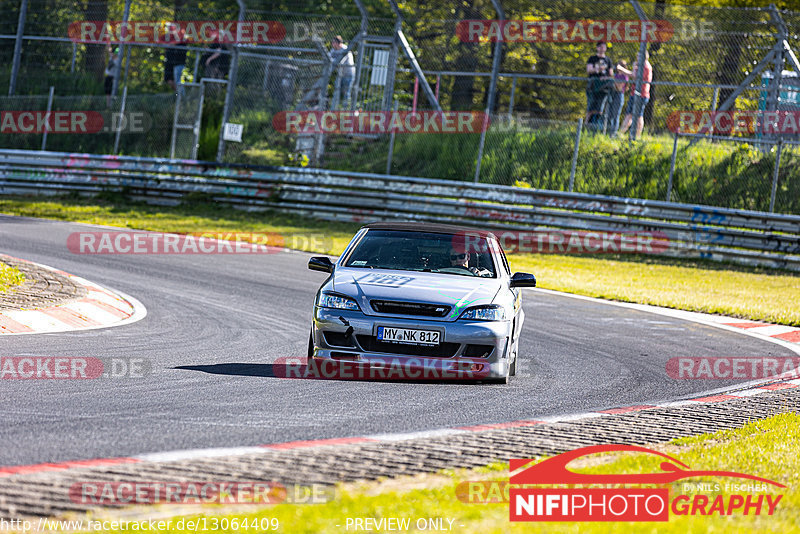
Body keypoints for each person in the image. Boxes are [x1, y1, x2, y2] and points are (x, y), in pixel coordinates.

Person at [618, 50, 653, 140]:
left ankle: (637, 136)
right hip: (635, 93)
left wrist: (623, 69)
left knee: (638, 115)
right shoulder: (641, 65)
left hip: (641, 94)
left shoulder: (645, 66)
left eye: (639, 56)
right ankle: (621, 133)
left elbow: (634, 76)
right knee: (629, 114)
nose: (637, 58)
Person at [585, 42, 614, 132]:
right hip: (593, 86)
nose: (602, 49)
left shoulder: (608, 60)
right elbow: (589, 70)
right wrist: (597, 69)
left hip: (603, 88)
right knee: (590, 108)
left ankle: (596, 128)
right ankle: (586, 127)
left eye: (604, 47)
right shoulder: (592, 59)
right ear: (597, 48)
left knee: (600, 109)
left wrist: (606, 77)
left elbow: (611, 73)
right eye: (600, 47)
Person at [331, 36, 355, 109]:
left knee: (346, 93)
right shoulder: (333, 50)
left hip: (349, 74)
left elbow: (341, 62)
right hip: (340, 74)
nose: (332, 44)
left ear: (339, 43)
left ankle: (345, 110)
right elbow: (328, 57)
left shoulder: (345, 49)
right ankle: (334, 109)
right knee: (336, 91)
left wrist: (333, 61)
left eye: (334, 42)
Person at [606, 60, 628, 136]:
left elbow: (619, 87)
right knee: (609, 115)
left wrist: (612, 80)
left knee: (616, 115)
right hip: (612, 94)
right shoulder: (615, 75)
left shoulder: (624, 76)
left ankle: (614, 133)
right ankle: (608, 132)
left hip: (619, 95)